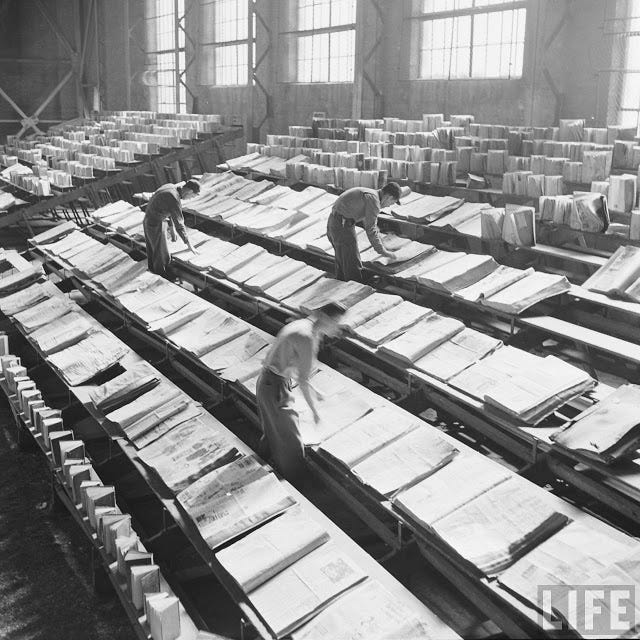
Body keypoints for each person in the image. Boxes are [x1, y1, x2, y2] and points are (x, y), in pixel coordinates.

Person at [256, 302, 345, 481]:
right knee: (291, 444)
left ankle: (259, 468)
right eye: (335, 322)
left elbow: (295, 364)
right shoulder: (307, 337)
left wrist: (315, 391)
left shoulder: (303, 325)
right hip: (275, 387)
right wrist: (314, 412)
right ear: (324, 317)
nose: (337, 328)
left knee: (274, 433)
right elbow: (302, 381)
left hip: (270, 382)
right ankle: (297, 484)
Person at [326, 181, 403, 282]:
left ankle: (342, 286)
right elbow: (371, 229)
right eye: (391, 202)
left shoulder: (370, 194)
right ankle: (354, 291)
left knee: (343, 262)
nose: (389, 206)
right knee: (352, 265)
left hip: (335, 222)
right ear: (388, 197)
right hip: (342, 226)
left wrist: (381, 242)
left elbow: (369, 223)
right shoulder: (374, 200)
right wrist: (383, 251)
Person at [143, 179, 200, 278]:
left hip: (151, 219)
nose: (190, 198)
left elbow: (166, 208)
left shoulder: (170, 187)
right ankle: (161, 278)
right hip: (154, 223)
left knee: (156, 252)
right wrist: (189, 244)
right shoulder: (174, 197)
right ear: (190, 191)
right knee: (160, 254)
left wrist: (171, 228)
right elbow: (180, 223)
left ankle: (157, 273)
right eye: (192, 196)